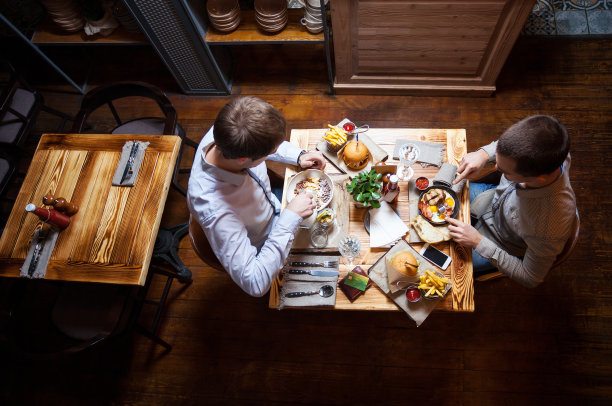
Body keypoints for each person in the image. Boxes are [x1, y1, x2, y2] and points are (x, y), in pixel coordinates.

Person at [187, 96, 326, 297]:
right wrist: (290, 218)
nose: (275, 152)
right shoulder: (216, 211)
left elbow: (259, 145)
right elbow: (255, 283)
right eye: (272, 151)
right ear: (243, 159)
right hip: (266, 243)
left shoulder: (228, 130)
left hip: (274, 205)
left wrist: (297, 155)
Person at [447, 115, 577, 288]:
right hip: (490, 201)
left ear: (538, 180)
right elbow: (510, 145)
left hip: (499, 242)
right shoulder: (550, 141)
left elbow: (530, 277)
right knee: (438, 190)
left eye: (503, 171)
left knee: (446, 266)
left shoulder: (548, 226)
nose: (494, 168)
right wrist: (484, 154)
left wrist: (478, 242)